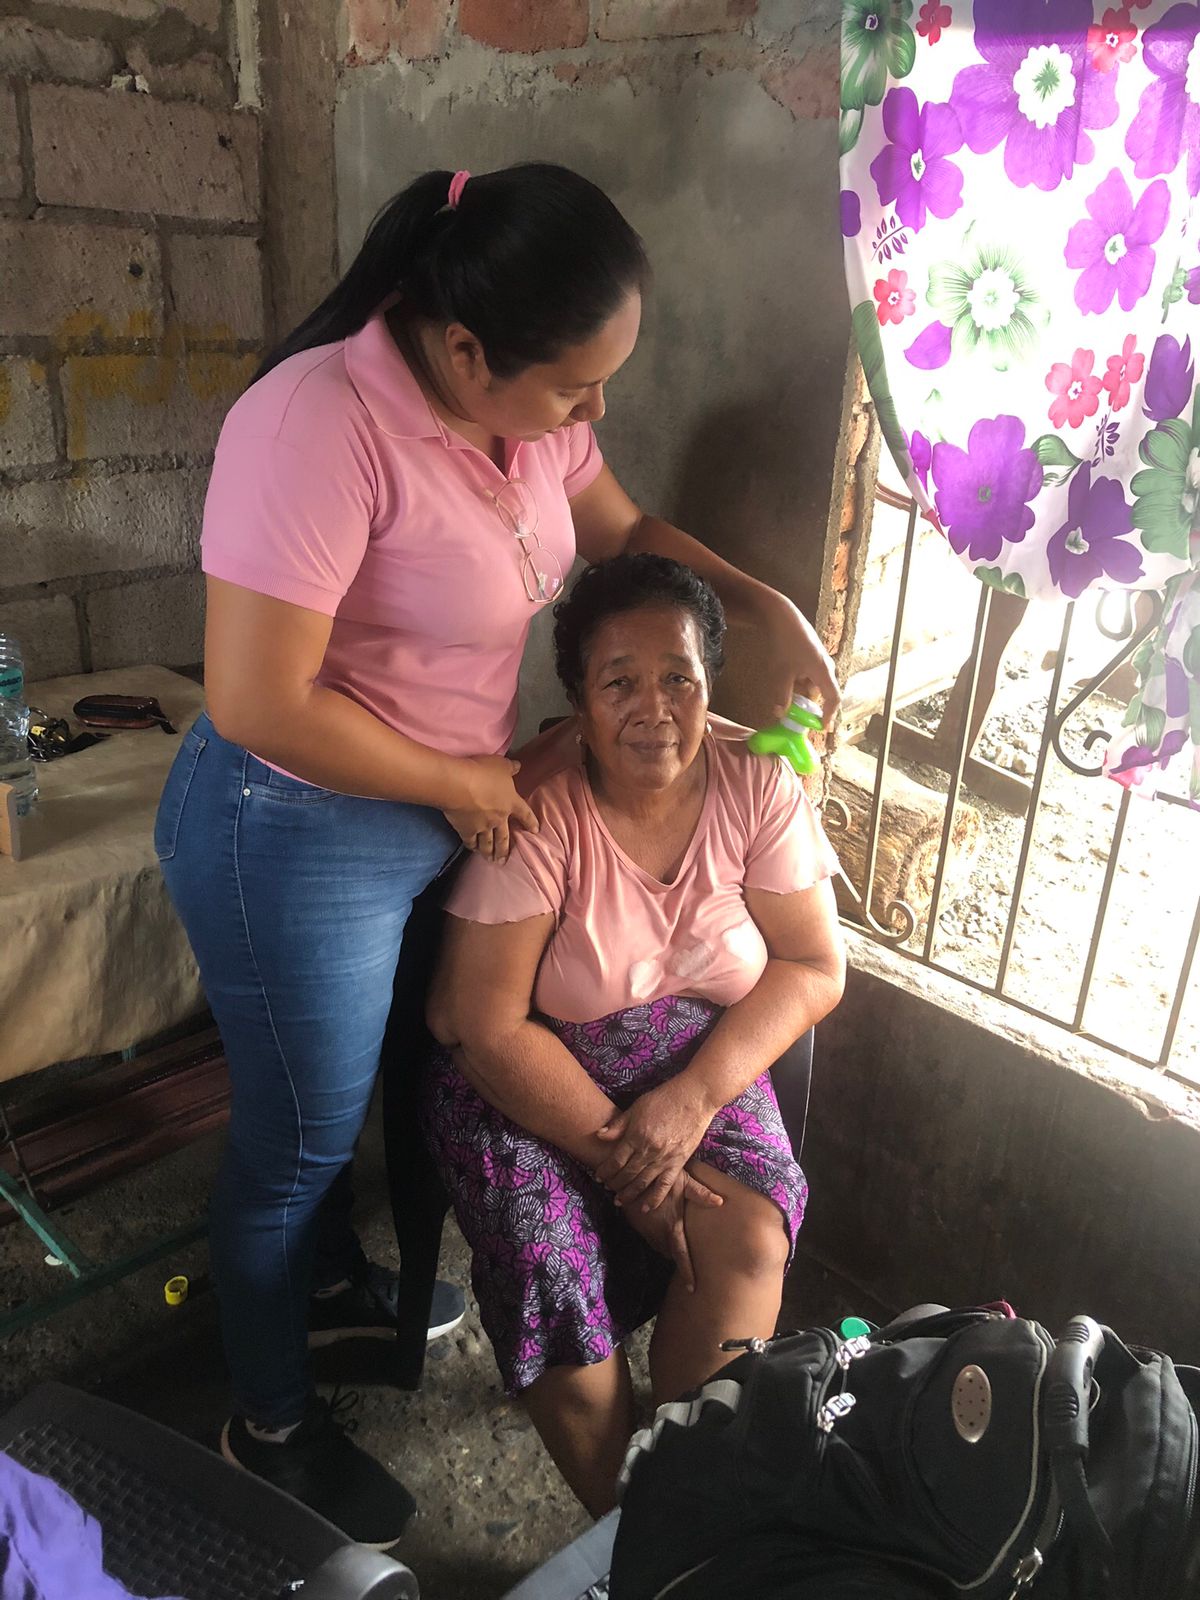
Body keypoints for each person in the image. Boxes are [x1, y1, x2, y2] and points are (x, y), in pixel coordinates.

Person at [155, 162, 839, 1549]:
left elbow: (626, 536)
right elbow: (257, 698)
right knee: (299, 1138)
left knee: (385, 1082)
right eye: (576, 390)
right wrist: (464, 781)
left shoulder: (521, 425)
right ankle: (268, 1421)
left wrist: (763, 606)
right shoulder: (317, 423)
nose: (594, 417)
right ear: (467, 351)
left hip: (444, 804)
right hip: (299, 822)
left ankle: (329, 1286)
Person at [424, 554, 846, 1517]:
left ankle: (693, 1493)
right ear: (577, 701)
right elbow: (482, 1024)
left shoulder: (756, 786)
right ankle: (626, 1526)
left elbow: (815, 964)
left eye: (678, 679)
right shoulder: (539, 813)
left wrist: (692, 1100)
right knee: (546, 1263)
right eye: (619, 683)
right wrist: (631, 1165)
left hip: (695, 1066)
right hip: (528, 1080)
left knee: (745, 1238)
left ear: (710, 686)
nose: (654, 709)